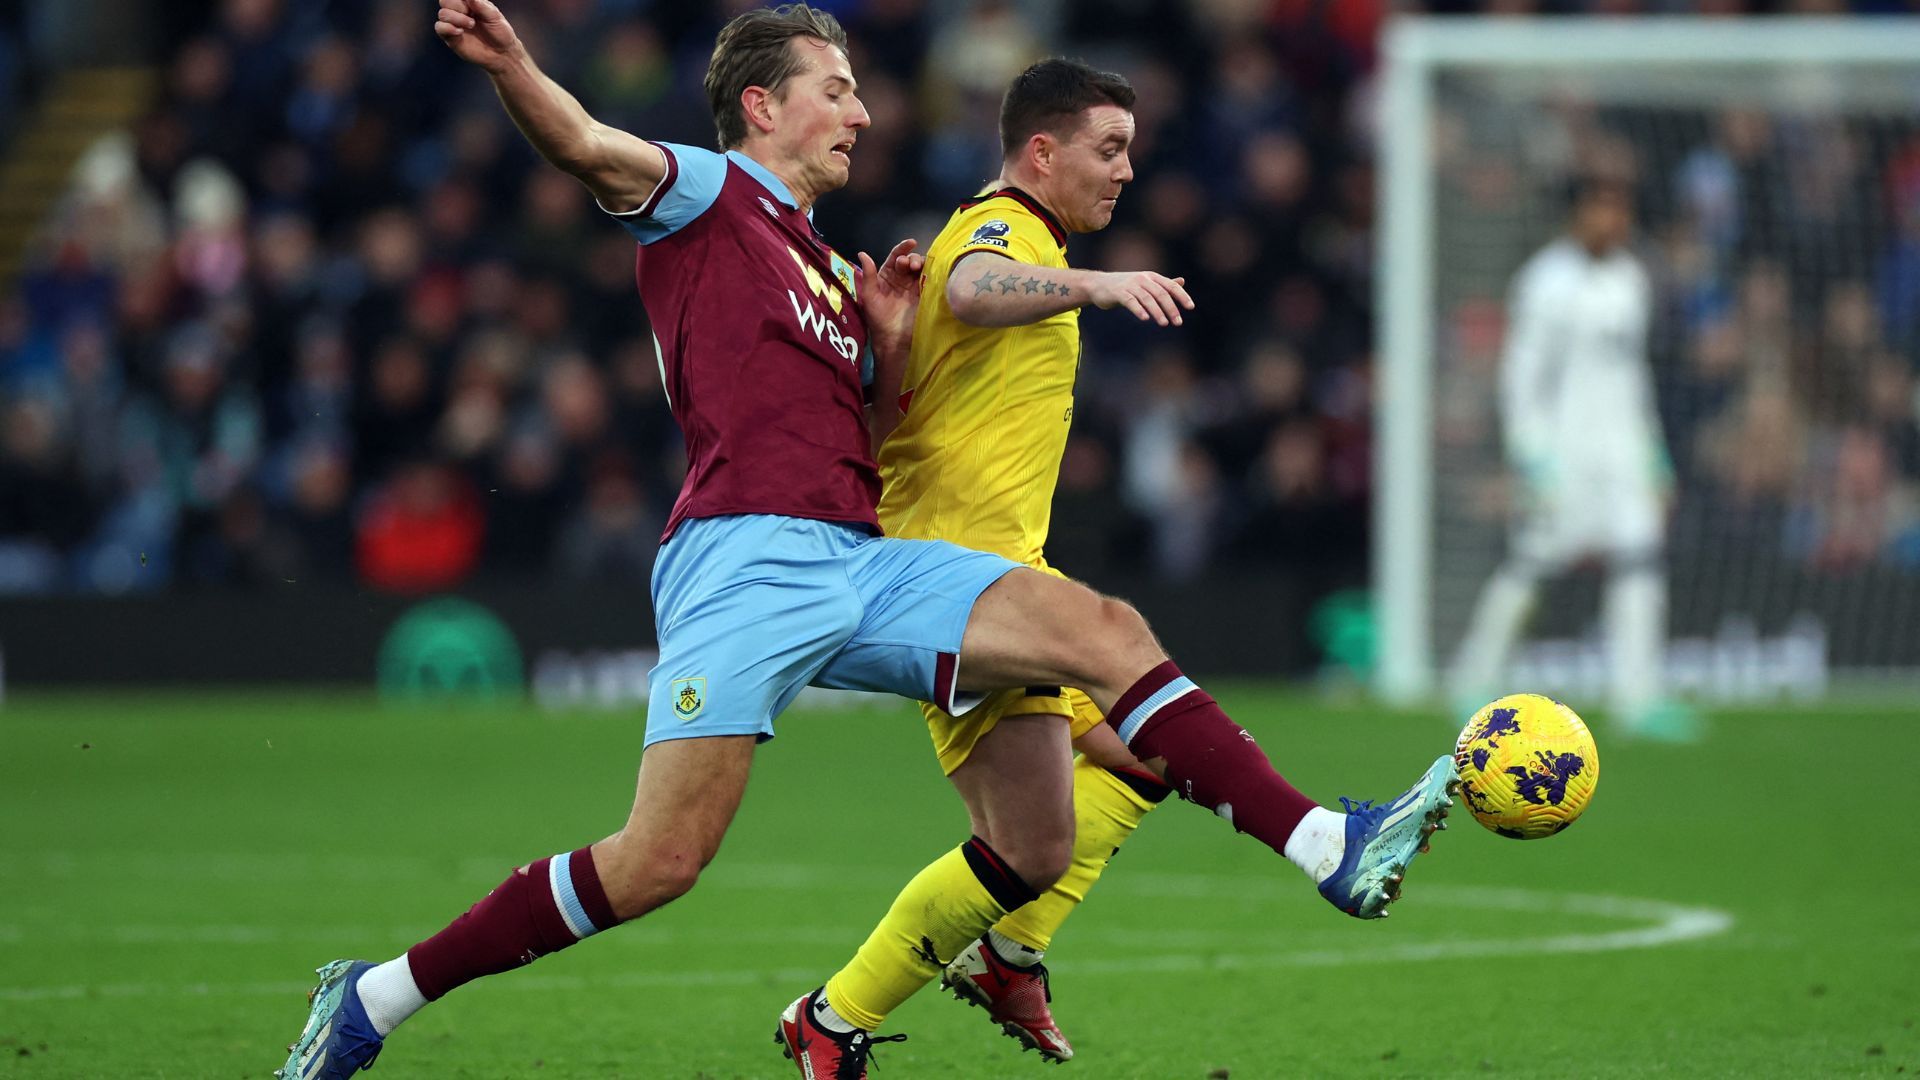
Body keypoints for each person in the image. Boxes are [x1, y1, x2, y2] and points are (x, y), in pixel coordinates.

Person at [278, 7, 1456, 1079]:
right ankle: (375, 998)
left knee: (1099, 660)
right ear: (762, 107)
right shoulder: (706, 198)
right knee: (659, 862)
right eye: (835, 90)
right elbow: (587, 145)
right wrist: (514, 68)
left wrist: (885, 339)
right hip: (743, 558)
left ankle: (1322, 844)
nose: (862, 112)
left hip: (862, 557)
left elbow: (879, 429)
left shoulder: (836, 270)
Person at [777, 58, 1194, 1068]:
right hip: (960, 590)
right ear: (1041, 151)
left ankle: (1010, 956)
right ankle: (832, 1022)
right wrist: (1097, 285)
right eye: (1108, 149)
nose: (1127, 171)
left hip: (1004, 577)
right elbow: (973, 283)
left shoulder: (1029, 235)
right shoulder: (999, 229)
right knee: (1030, 844)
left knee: (1148, 758)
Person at [1448, 177, 1699, 742]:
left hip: (1622, 454)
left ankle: (1638, 698)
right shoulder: (1545, 281)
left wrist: (1652, 452)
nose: (1612, 221)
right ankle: (1472, 679)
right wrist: (1530, 455)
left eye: (1619, 210)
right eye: (1600, 209)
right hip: (1562, 455)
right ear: (1576, 216)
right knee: (1533, 563)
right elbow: (1521, 375)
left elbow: (1634, 378)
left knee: (1639, 562)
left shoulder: (1632, 280)